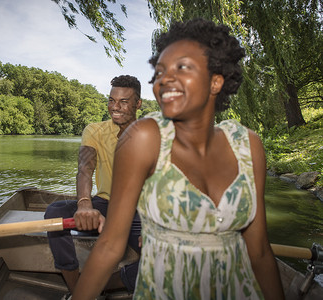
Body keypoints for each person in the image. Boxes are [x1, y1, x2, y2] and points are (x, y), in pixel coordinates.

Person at [73, 18, 285, 300]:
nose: (165, 79)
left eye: (182, 68)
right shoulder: (143, 138)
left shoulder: (249, 145)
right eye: (160, 72)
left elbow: (258, 252)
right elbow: (110, 245)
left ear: (215, 82)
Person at [44, 75, 143, 299]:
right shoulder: (95, 130)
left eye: (123, 102)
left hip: (139, 209)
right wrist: (85, 204)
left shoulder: (149, 133)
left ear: (138, 104)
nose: (114, 108)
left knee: (164, 256)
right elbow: (85, 168)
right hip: (105, 204)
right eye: (111, 100)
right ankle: (76, 290)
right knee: (55, 212)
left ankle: (92, 288)